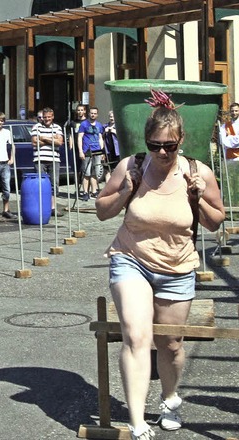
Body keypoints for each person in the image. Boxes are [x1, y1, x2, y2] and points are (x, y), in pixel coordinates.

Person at [95, 91, 225, 440]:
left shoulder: (198, 172)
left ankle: (170, 399)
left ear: (180, 140)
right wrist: (125, 191)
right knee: (137, 336)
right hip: (131, 258)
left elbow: (215, 222)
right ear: (146, 142)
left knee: (171, 344)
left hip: (178, 266)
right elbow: (102, 210)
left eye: (169, 146)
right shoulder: (132, 166)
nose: (162, 153)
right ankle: (137, 421)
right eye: (155, 146)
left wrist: (197, 199)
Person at [31, 107, 65, 217]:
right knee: (40, 184)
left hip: (54, 159)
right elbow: (35, 142)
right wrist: (51, 139)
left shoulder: (58, 128)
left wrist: (43, 138)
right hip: (40, 159)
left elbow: (60, 142)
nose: (46, 119)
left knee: (53, 184)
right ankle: (42, 207)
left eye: (49, 117)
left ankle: (53, 207)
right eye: (45, 117)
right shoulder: (36, 127)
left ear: (52, 117)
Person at [78, 106, 105, 201]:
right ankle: (85, 192)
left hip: (97, 151)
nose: (93, 115)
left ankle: (94, 191)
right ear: (89, 113)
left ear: (97, 115)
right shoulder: (84, 124)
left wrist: (102, 151)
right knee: (86, 173)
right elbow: (80, 137)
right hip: (87, 152)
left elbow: (100, 138)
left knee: (95, 172)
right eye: (91, 113)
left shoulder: (99, 125)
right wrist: (81, 151)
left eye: (95, 113)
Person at [103, 110, 120, 182]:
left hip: (117, 151)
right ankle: (107, 186)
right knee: (107, 169)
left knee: (117, 169)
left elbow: (122, 137)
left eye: (113, 117)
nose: (112, 118)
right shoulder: (105, 126)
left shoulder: (118, 126)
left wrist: (114, 132)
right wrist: (105, 132)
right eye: (110, 117)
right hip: (108, 151)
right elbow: (100, 137)